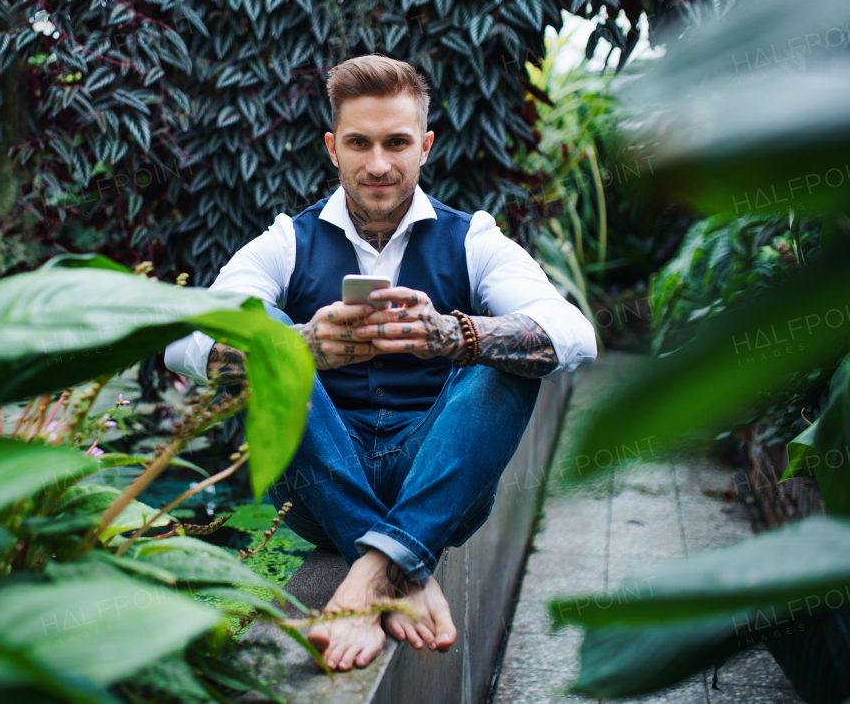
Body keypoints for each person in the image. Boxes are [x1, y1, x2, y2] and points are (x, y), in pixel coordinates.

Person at [164, 54, 597, 672]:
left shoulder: (472, 238)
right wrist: (302, 348)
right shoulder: (288, 240)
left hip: (438, 471)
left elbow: (575, 335)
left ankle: (370, 572)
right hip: (316, 488)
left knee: (505, 358)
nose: (377, 164)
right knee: (273, 335)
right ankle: (404, 564)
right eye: (358, 143)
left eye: (396, 143)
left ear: (424, 146)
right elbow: (182, 341)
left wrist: (455, 335)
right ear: (331, 148)